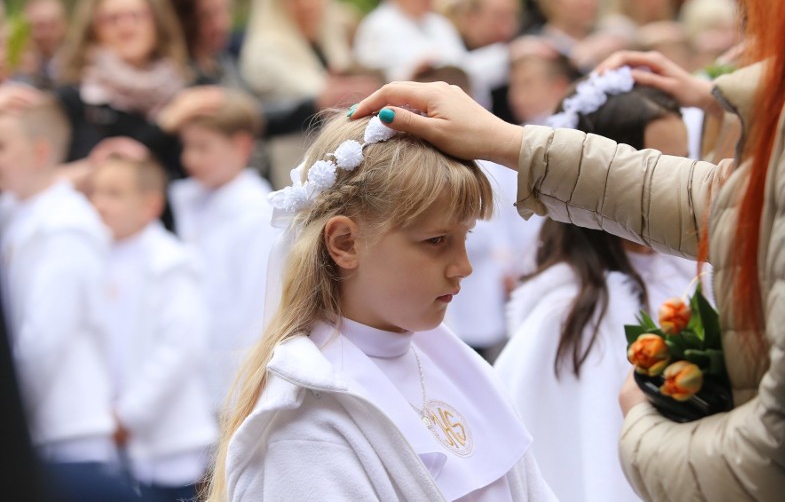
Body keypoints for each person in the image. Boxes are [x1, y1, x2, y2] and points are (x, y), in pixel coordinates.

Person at [350, 0, 785, 498]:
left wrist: (641, 427)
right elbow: (726, 200)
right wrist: (512, 143)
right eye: (438, 239)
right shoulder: (563, 318)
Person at [205, 113, 557, 501]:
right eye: (437, 240)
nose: (464, 267)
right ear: (345, 243)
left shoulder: (456, 363)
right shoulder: (307, 427)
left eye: (465, 236)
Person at [495, 74, 697, 502]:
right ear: (602, 182)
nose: (680, 187)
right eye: (657, 170)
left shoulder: (698, 273)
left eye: (687, 163)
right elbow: (580, 462)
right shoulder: (571, 313)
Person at [89, 153, 218, 501]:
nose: (99, 204)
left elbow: (180, 348)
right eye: (95, 193)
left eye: (114, 194)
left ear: (150, 204)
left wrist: (129, 415)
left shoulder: (171, 262)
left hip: (168, 440)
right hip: (109, 434)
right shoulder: (93, 257)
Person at [0, 96, 115, 469]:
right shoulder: (16, 211)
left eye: (3, 147)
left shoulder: (66, 225)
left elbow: (44, 340)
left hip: (68, 428)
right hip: (39, 430)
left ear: (40, 152)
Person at [164, 86, 278, 412]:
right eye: (186, 146)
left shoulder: (256, 214)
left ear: (241, 145)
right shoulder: (192, 200)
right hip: (194, 377)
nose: (189, 159)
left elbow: (257, 309)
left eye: (203, 147)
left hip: (230, 383)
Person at [239, 0, 380, 186]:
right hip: (294, 167)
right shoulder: (265, 49)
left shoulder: (328, 37)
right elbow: (316, 95)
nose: (308, 2)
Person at [54, 0, 187, 177]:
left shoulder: (185, 91)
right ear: (92, 29)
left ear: (157, 22)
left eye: (137, 15)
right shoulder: (75, 97)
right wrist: (164, 126)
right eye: (112, 19)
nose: (126, 26)